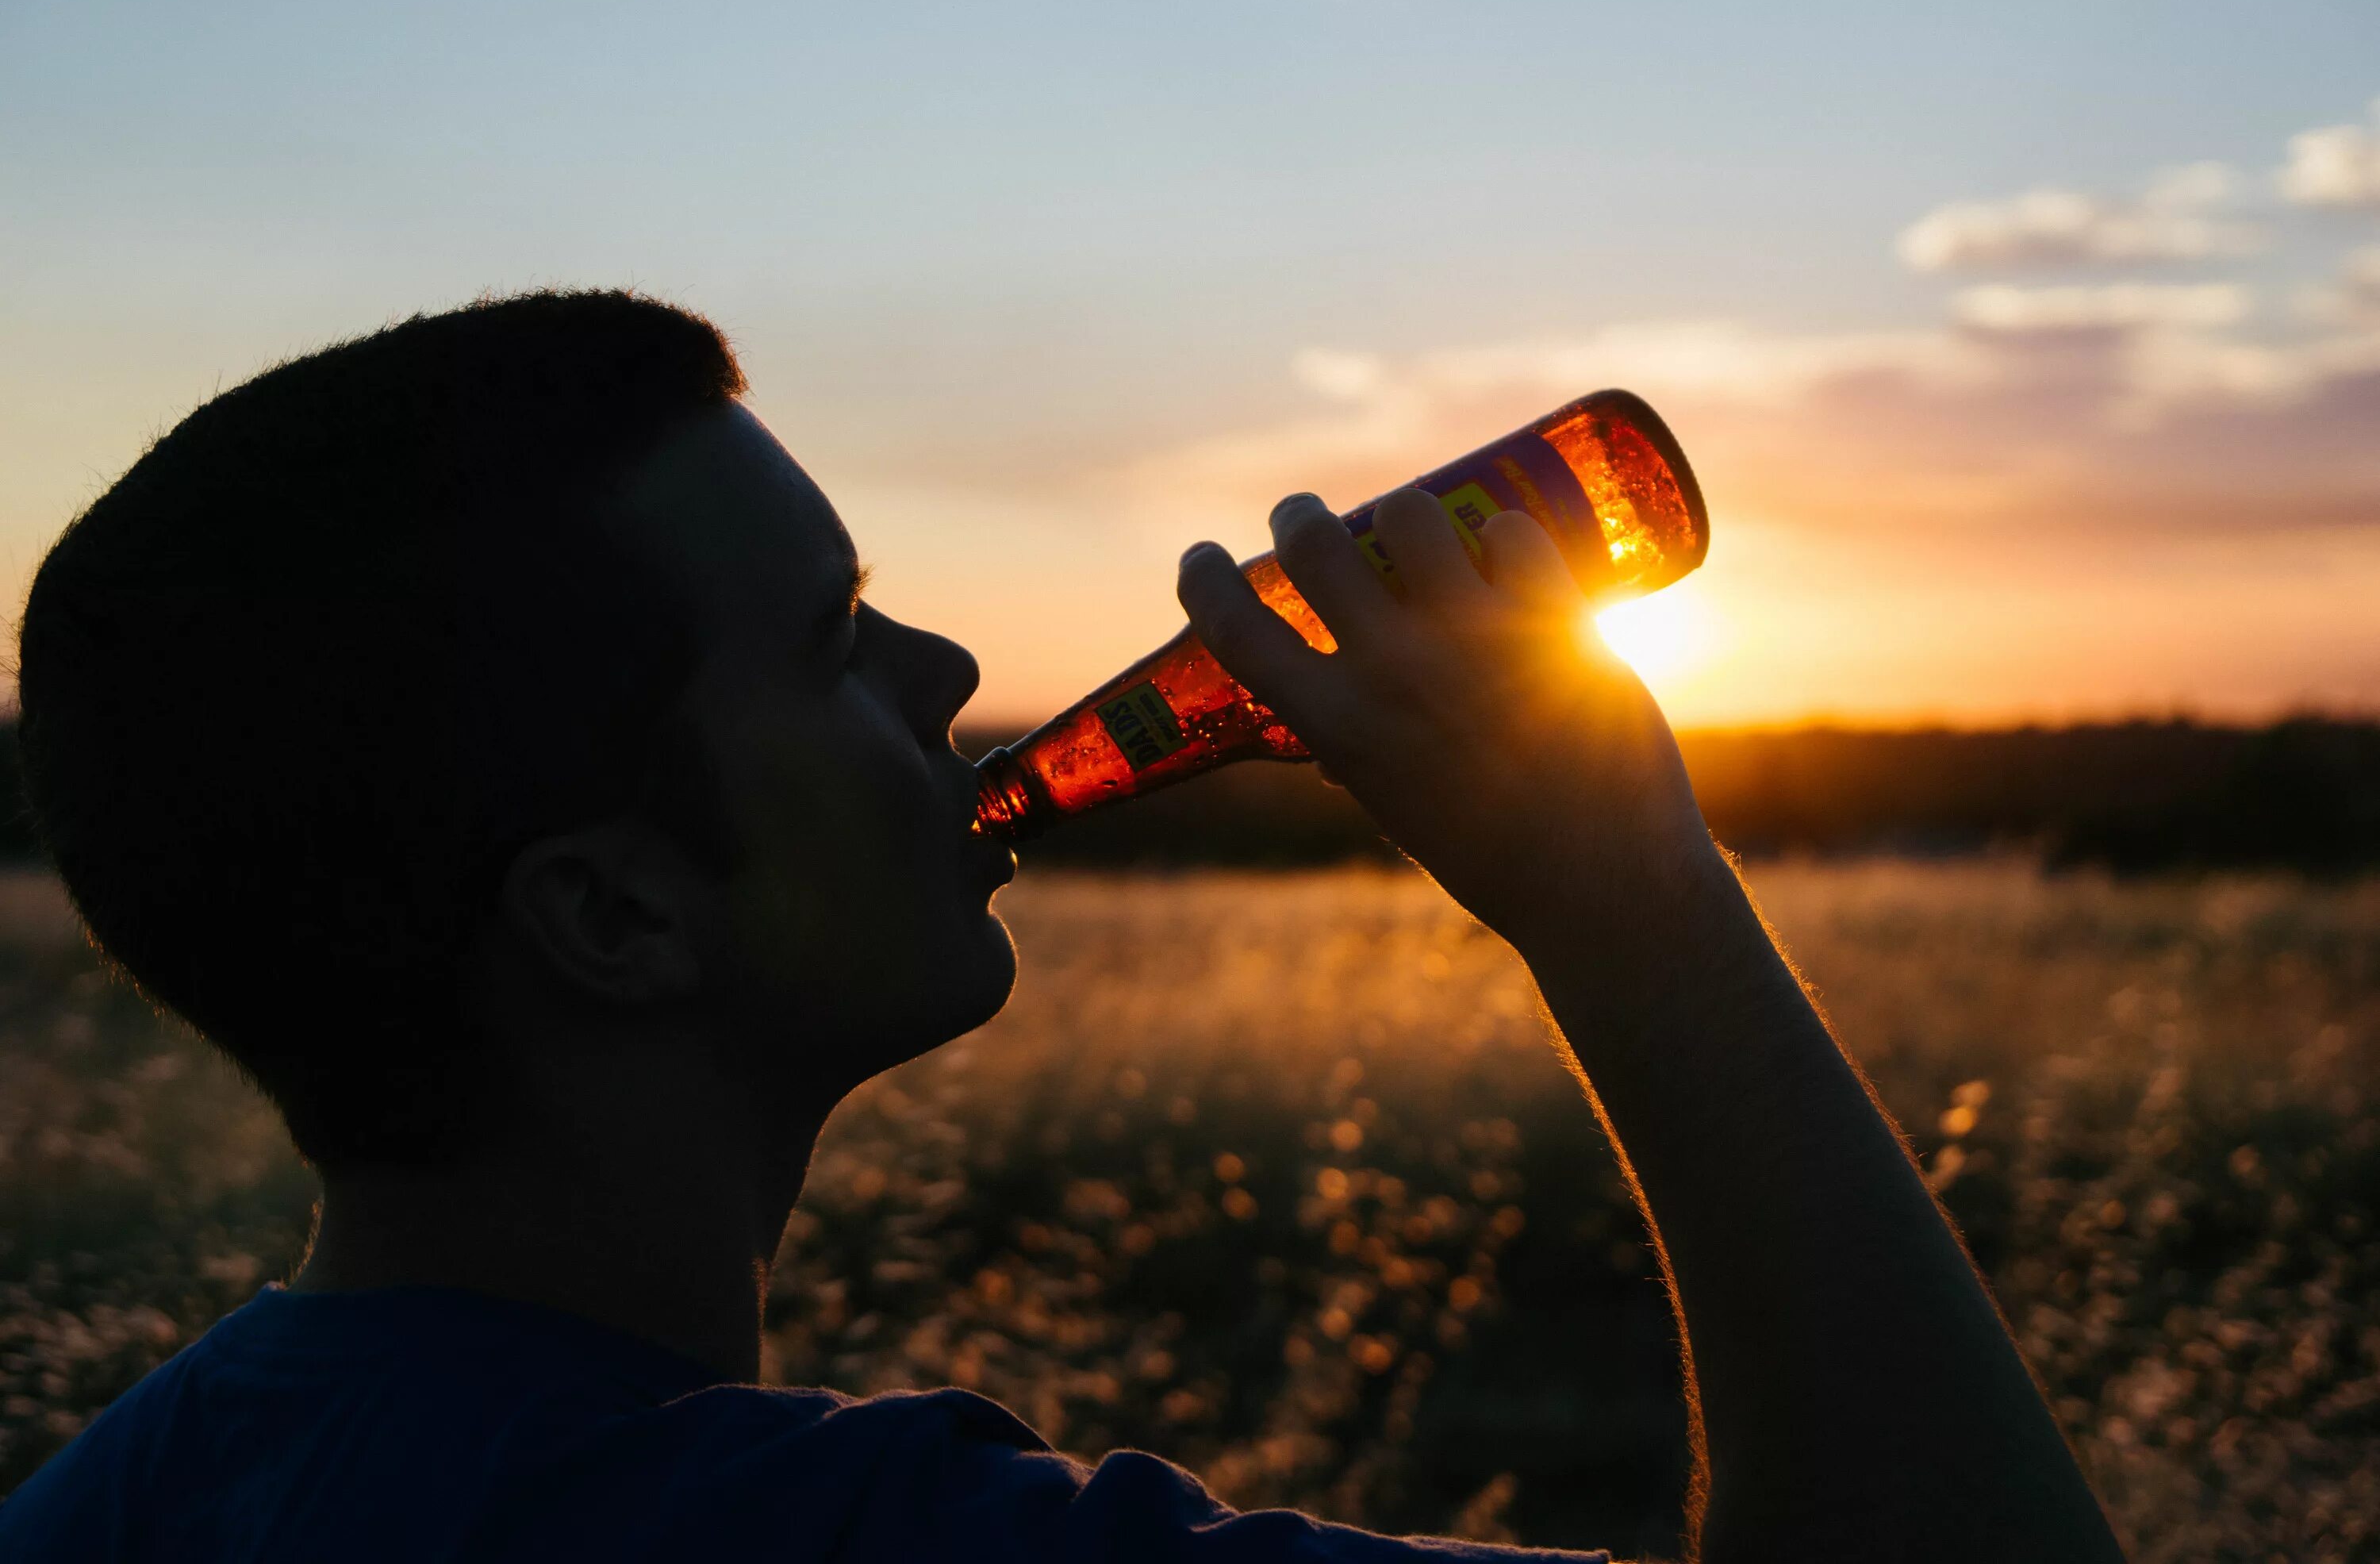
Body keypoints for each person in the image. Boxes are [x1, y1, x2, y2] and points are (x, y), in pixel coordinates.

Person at [0, 290, 2122, 1562]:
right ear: (617, 916)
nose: (941, 665)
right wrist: (1637, 916)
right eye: (832, 641)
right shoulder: (822, 1542)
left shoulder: (125, 1497)